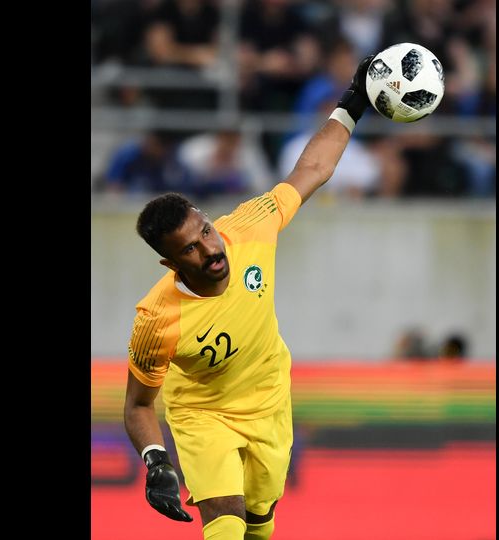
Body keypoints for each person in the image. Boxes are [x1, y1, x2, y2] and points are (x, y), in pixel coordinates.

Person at [123, 54, 375, 540]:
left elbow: (314, 167)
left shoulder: (252, 225)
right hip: (203, 413)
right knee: (226, 522)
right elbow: (137, 405)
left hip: (269, 399)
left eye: (206, 232)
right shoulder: (157, 319)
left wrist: (353, 103)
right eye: (191, 250)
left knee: (260, 524)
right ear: (170, 264)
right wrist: (156, 462)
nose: (211, 250)